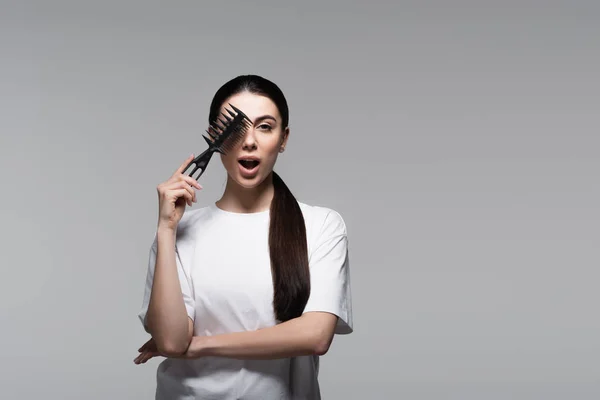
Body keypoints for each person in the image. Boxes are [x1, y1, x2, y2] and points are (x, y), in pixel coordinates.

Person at [133, 74, 353, 399]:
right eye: (237, 128)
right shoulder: (181, 232)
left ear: (283, 138)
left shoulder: (320, 226)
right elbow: (170, 341)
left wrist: (198, 347)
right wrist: (166, 230)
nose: (249, 141)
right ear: (216, 136)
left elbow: (315, 335)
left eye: (265, 126)